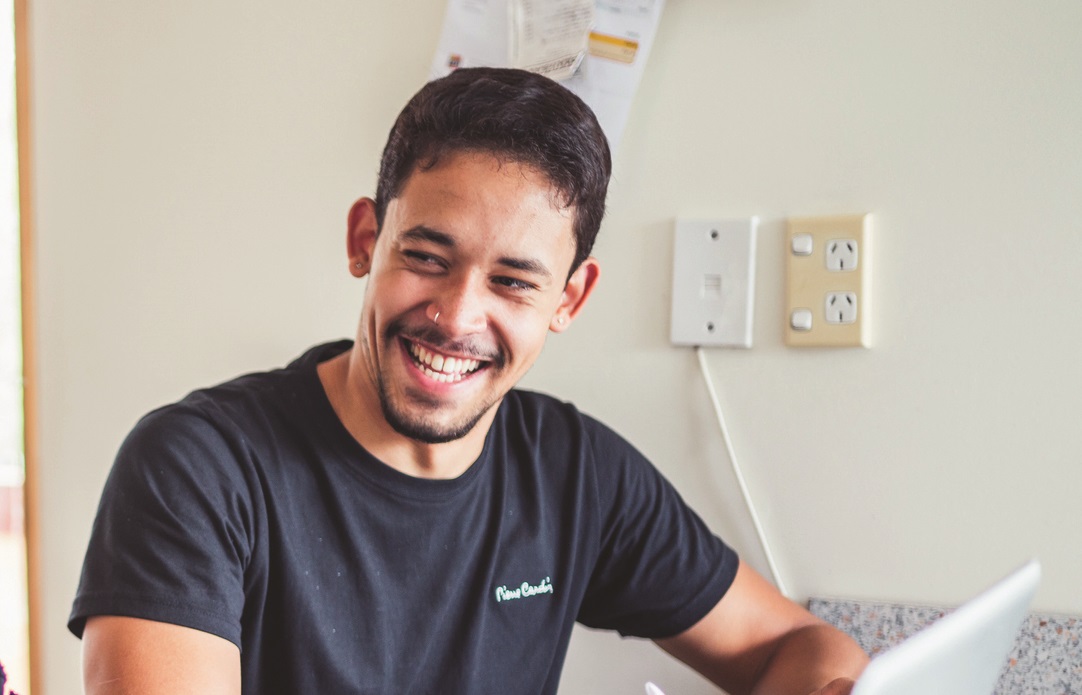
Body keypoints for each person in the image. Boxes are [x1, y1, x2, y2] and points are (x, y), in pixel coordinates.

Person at [70, 67, 869, 694]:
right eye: (426, 256)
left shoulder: (574, 472)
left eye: (514, 281)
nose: (456, 316)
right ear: (364, 240)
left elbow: (802, 645)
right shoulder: (197, 469)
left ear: (570, 299)